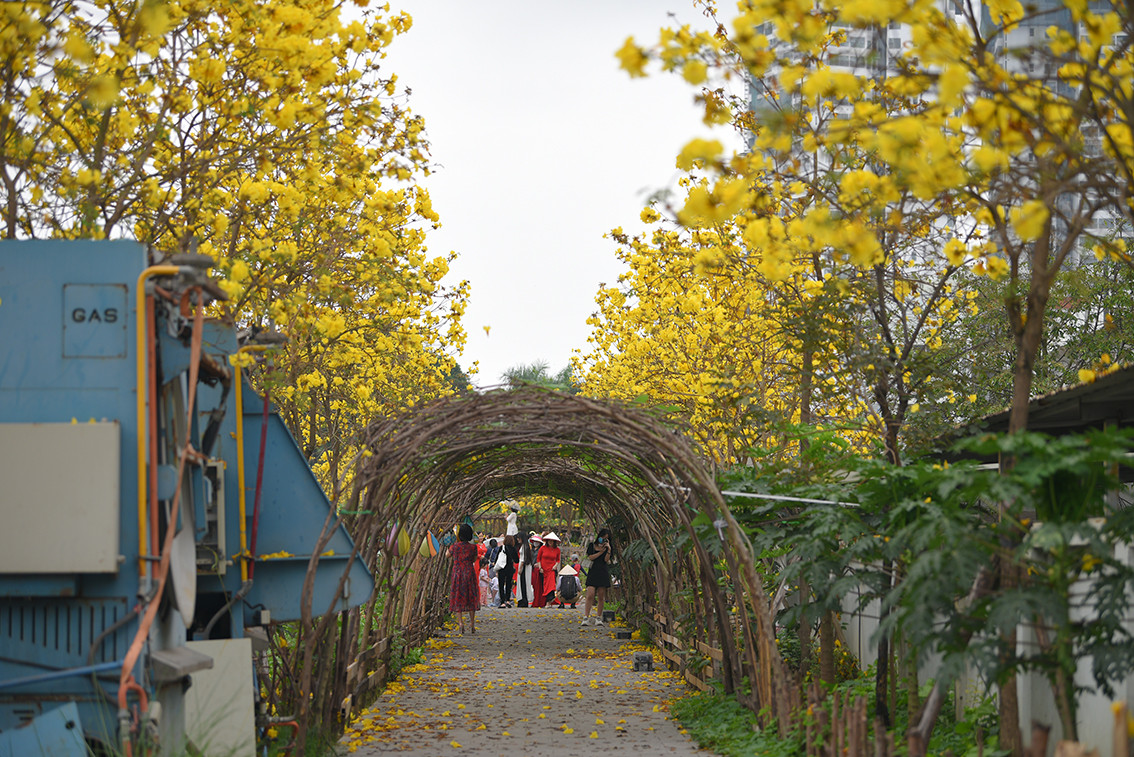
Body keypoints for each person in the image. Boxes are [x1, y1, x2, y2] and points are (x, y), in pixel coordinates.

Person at [449, 523, 479, 635]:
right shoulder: (473, 547)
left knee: (458, 596)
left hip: (457, 573)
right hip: (469, 572)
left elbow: (447, 554)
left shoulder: (455, 546)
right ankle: (472, 624)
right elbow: (474, 559)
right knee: (471, 596)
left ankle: (461, 623)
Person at [581, 528, 613, 627]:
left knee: (601, 596)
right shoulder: (592, 545)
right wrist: (600, 552)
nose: (603, 540)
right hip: (593, 571)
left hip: (603, 571)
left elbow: (606, 560)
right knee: (590, 594)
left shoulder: (608, 548)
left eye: (606, 539)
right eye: (602, 537)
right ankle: (586, 617)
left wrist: (608, 549)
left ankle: (598, 617)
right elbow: (591, 557)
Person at [535, 532, 562, 606]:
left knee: (551, 586)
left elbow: (558, 560)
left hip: (552, 570)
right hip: (543, 570)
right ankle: (546, 602)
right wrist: (540, 567)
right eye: (549, 540)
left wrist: (555, 566)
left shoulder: (557, 550)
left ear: (554, 541)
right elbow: (538, 559)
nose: (550, 542)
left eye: (552, 541)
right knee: (545, 586)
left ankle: (548, 602)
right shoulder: (542, 548)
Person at [497, 534, 517, 607]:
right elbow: (517, 560)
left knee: (501, 585)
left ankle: (502, 602)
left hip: (502, 568)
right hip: (510, 568)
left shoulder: (502, 547)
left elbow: (497, 558)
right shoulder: (513, 549)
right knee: (508, 584)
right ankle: (508, 600)